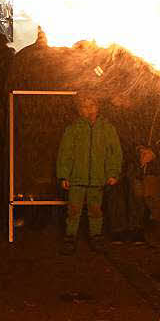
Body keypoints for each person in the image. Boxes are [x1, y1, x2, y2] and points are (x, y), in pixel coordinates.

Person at [56, 94, 122, 254]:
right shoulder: (73, 129)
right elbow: (65, 152)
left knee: (95, 209)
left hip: (97, 178)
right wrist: (64, 175)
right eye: (85, 106)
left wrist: (113, 172)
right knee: (73, 210)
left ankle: (96, 236)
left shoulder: (107, 128)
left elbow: (115, 153)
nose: (89, 109)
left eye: (92, 105)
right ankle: (70, 237)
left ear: (98, 106)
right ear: (79, 109)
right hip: (76, 178)